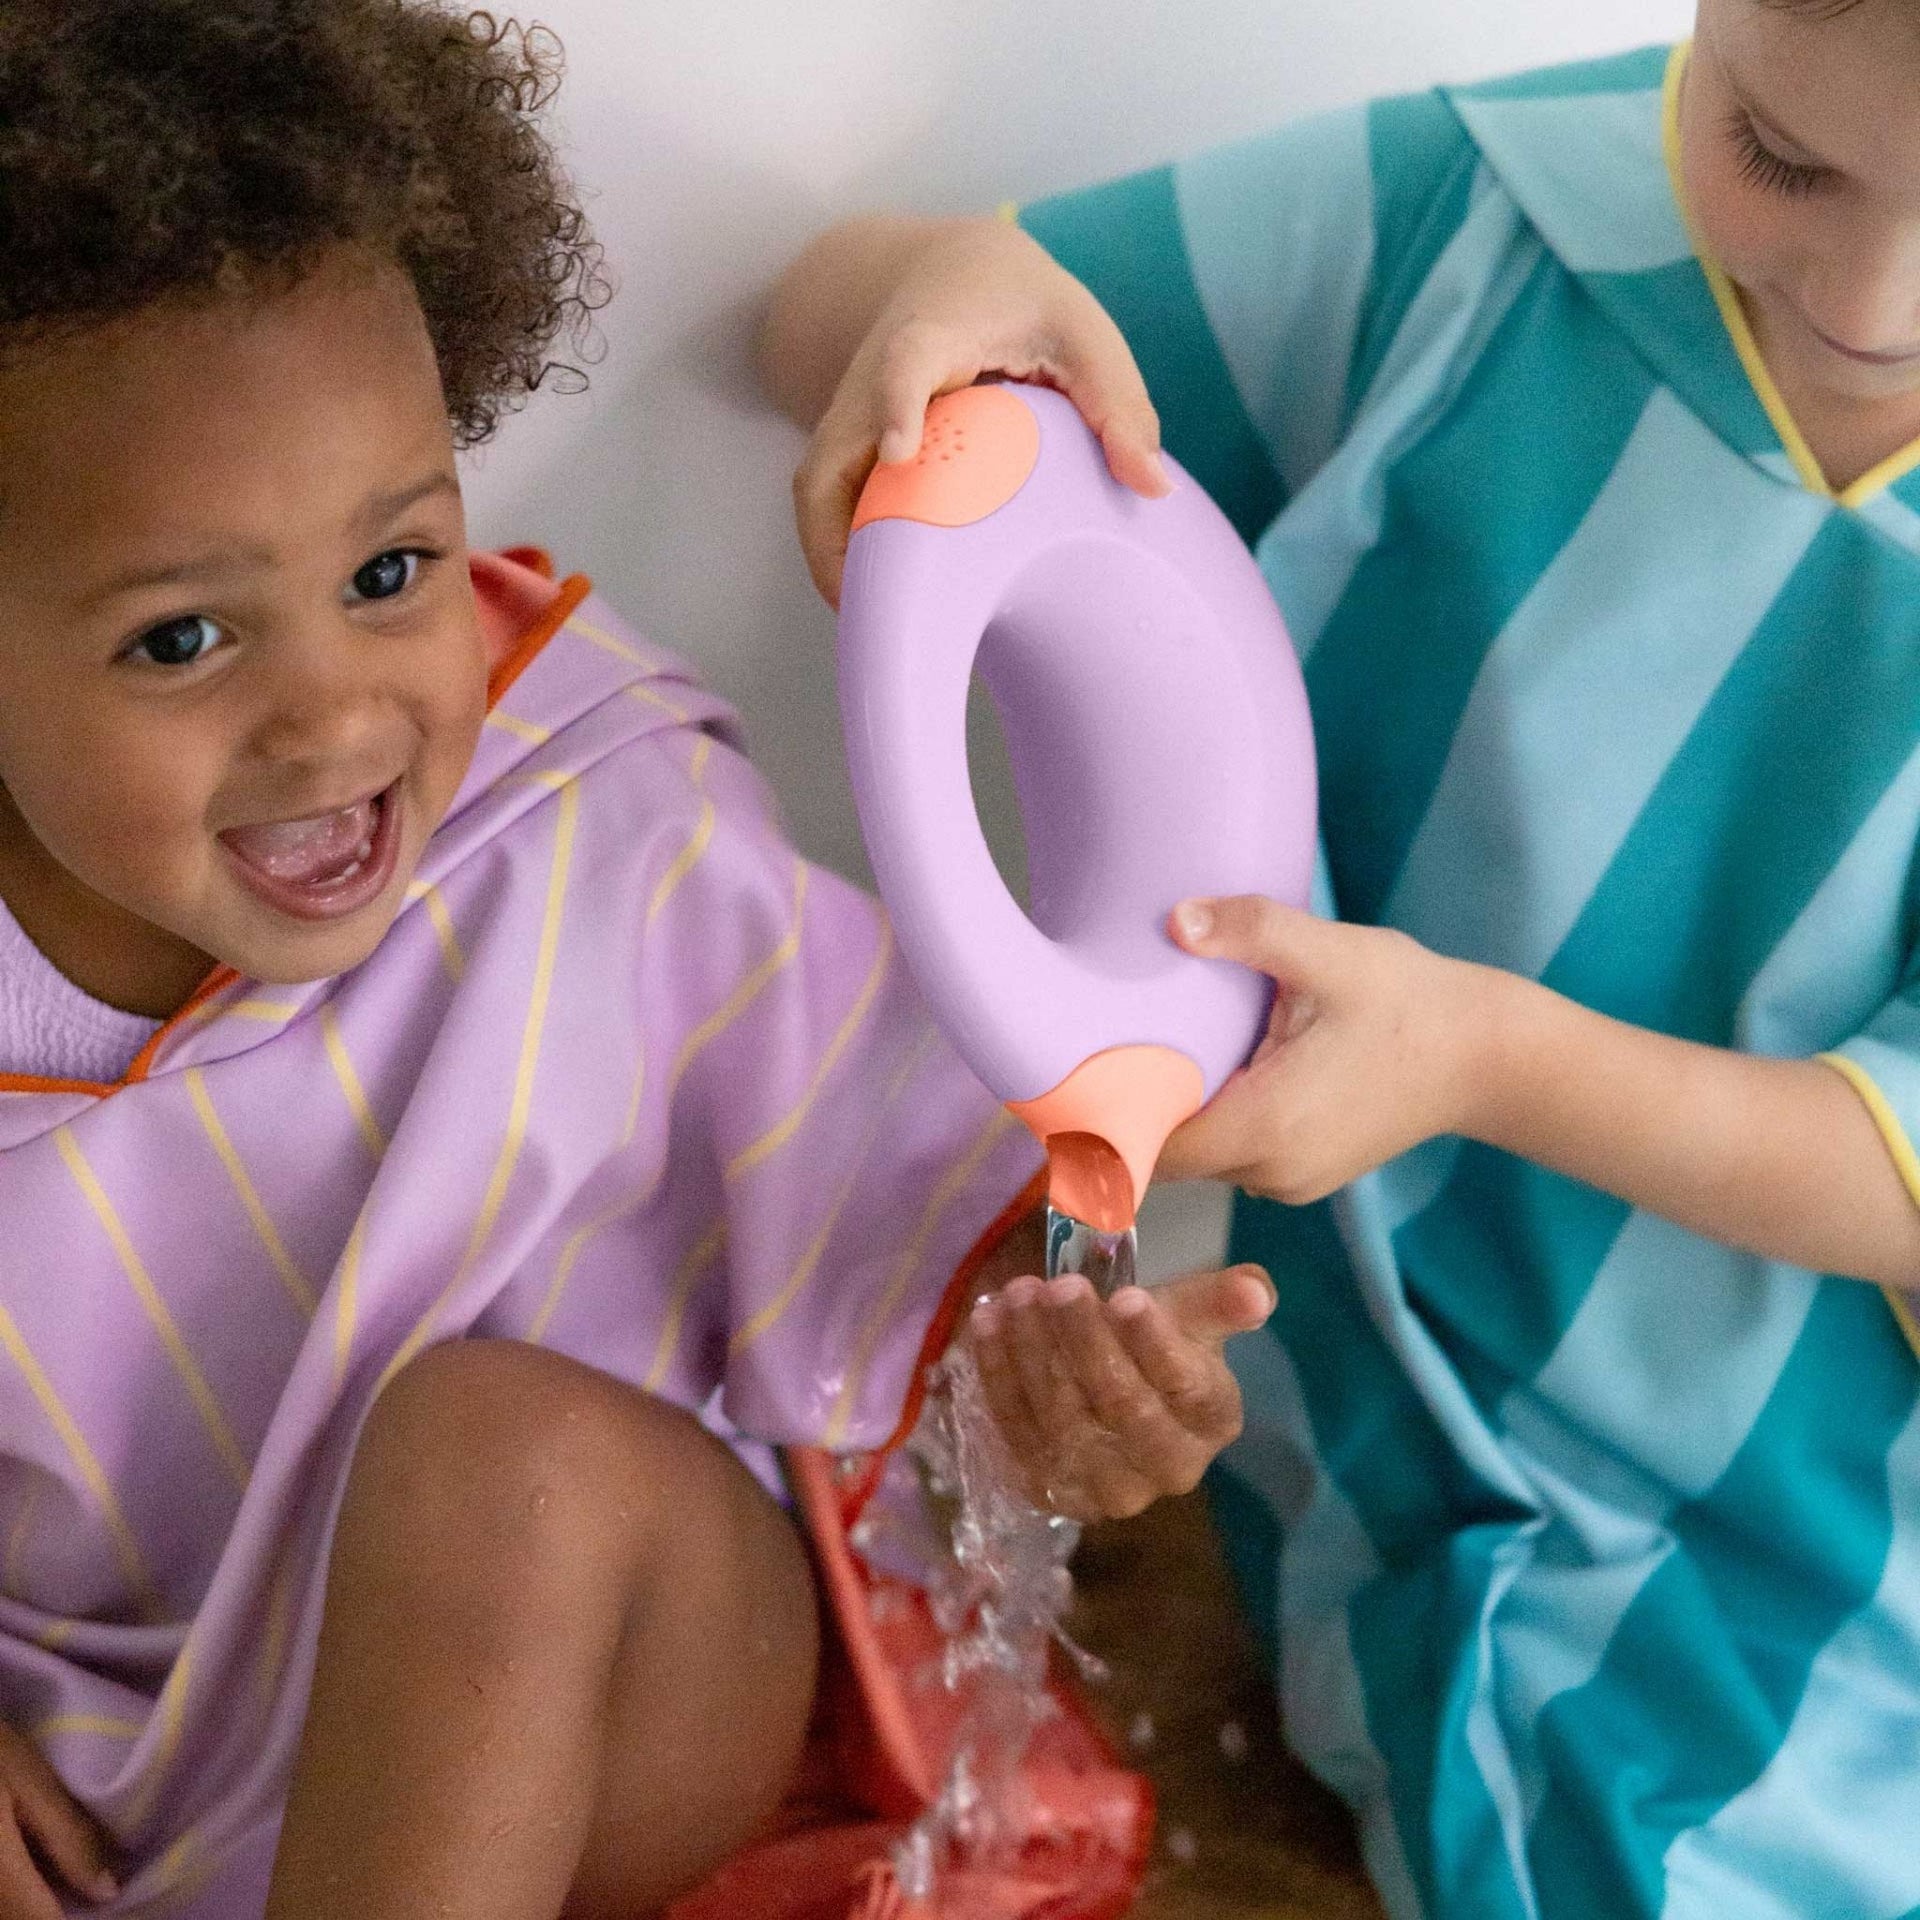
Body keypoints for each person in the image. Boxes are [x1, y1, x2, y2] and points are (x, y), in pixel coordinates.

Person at [0, 3, 1276, 1914]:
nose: (339, 722)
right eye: (185, 640)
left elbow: (915, 1265)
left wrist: (1063, 1397)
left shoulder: (593, 812)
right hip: (111, 1753)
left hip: (609, 1682)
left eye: (390, 572)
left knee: (495, 1453)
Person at [761, 0, 1920, 1912]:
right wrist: (943, 280)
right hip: (1385, 1405)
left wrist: (1480, 1061)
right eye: (1784, 159)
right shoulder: (1477, 225)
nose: (1873, 303)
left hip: (1816, 1507)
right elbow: (846, 314)